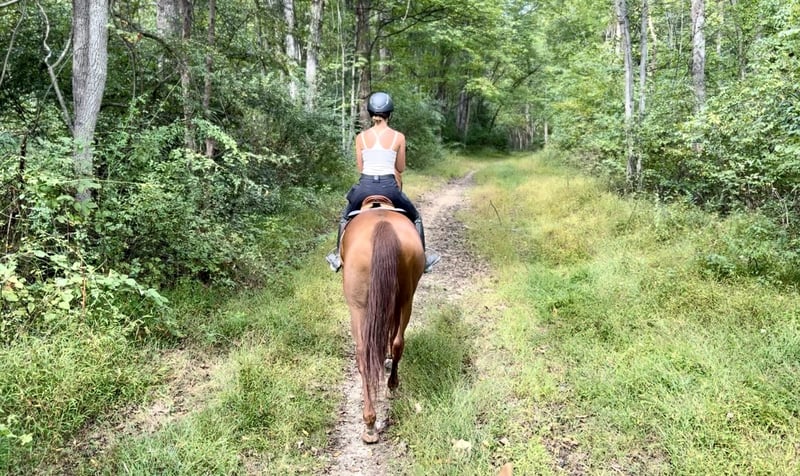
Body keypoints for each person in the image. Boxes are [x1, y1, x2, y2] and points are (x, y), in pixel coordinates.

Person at [326, 92, 441, 273]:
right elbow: (400, 168)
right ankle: (424, 259)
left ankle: (337, 257)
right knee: (416, 217)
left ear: (371, 112)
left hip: (365, 187)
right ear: (390, 114)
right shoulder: (398, 137)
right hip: (389, 188)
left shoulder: (361, 137)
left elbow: (361, 167)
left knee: (345, 217)